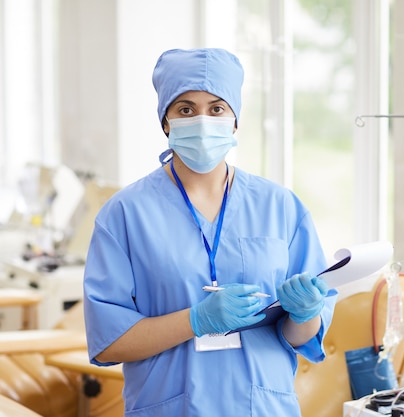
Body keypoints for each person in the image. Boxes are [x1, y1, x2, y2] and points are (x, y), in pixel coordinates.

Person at [83, 48, 336, 417]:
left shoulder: (280, 207)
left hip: (262, 407)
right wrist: (195, 320)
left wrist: (305, 313)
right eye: (186, 109)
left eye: (216, 108)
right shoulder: (125, 214)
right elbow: (108, 342)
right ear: (166, 121)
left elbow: (301, 337)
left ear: (234, 121)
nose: (202, 120)